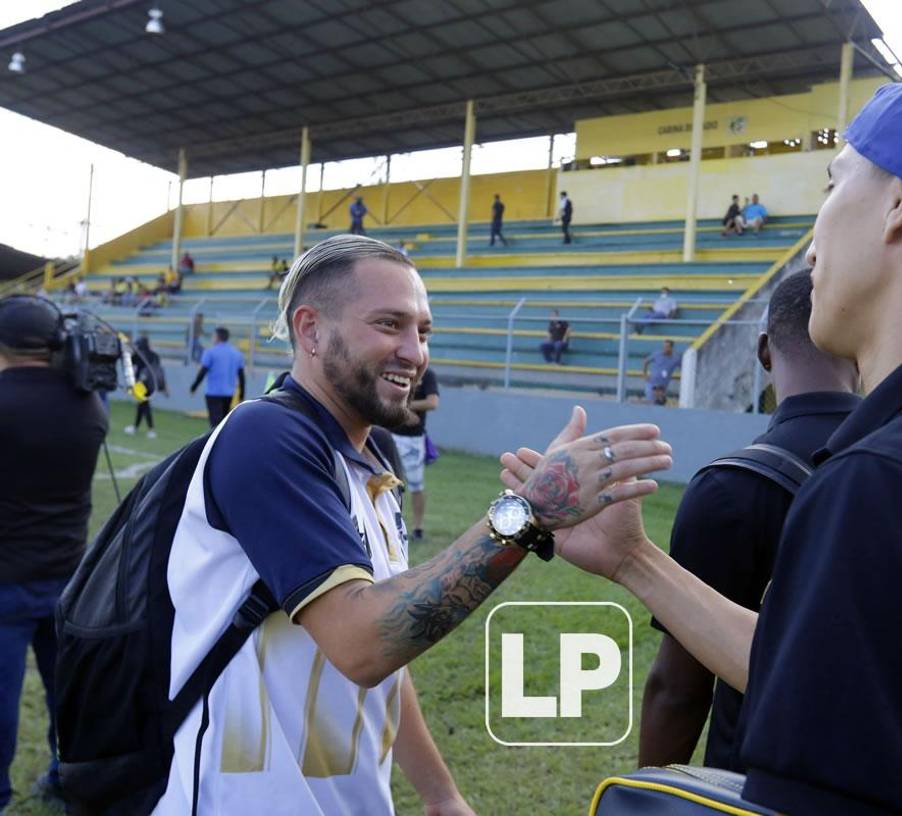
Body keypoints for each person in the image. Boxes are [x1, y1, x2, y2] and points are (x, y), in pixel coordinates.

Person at [500, 63, 902, 813]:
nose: (813, 241)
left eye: (834, 182)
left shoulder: (889, 482)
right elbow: (843, 678)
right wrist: (632, 560)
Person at [144, 234, 670, 814]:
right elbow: (363, 643)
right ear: (310, 330)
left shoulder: (374, 457)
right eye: (390, 325)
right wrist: (528, 514)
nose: (415, 353)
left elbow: (389, 638)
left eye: (422, 331)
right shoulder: (266, 437)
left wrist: (439, 791)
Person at [639, 272, 860, 771]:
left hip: (755, 785)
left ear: (764, 352)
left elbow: (678, 689)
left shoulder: (728, 489)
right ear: (860, 345)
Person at [0, 295, 108, 813]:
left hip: (6, 578)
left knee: (1, 700)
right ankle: (67, 781)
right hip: (68, 574)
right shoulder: (88, 403)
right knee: (68, 694)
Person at [388, 366, 440, 542]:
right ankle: (390, 525)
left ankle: (418, 527)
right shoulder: (395, 369)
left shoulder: (427, 375)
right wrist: (403, 411)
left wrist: (405, 406)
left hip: (413, 440)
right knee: (388, 483)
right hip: (389, 435)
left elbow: (432, 402)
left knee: (416, 486)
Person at [189, 326, 245, 427]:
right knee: (223, 423)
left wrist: (194, 386)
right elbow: (241, 375)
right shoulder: (237, 354)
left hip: (213, 393)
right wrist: (241, 394)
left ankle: (217, 442)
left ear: (217, 337)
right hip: (228, 393)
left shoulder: (210, 352)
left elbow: (203, 371)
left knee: (215, 424)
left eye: (213, 336)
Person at [125, 335, 168, 439]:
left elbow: (129, 362)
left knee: (144, 405)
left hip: (141, 384)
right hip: (152, 384)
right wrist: (164, 386)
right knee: (142, 405)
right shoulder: (155, 355)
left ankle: (151, 429)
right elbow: (159, 371)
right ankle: (135, 427)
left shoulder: (138, 355)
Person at [642, 339, 680, 405]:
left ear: (671, 348)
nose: (665, 349)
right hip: (651, 383)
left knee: (660, 404)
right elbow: (645, 361)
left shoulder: (676, 359)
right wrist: (645, 375)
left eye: (667, 347)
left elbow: (684, 367)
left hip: (662, 387)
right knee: (651, 403)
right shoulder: (657, 354)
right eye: (664, 347)